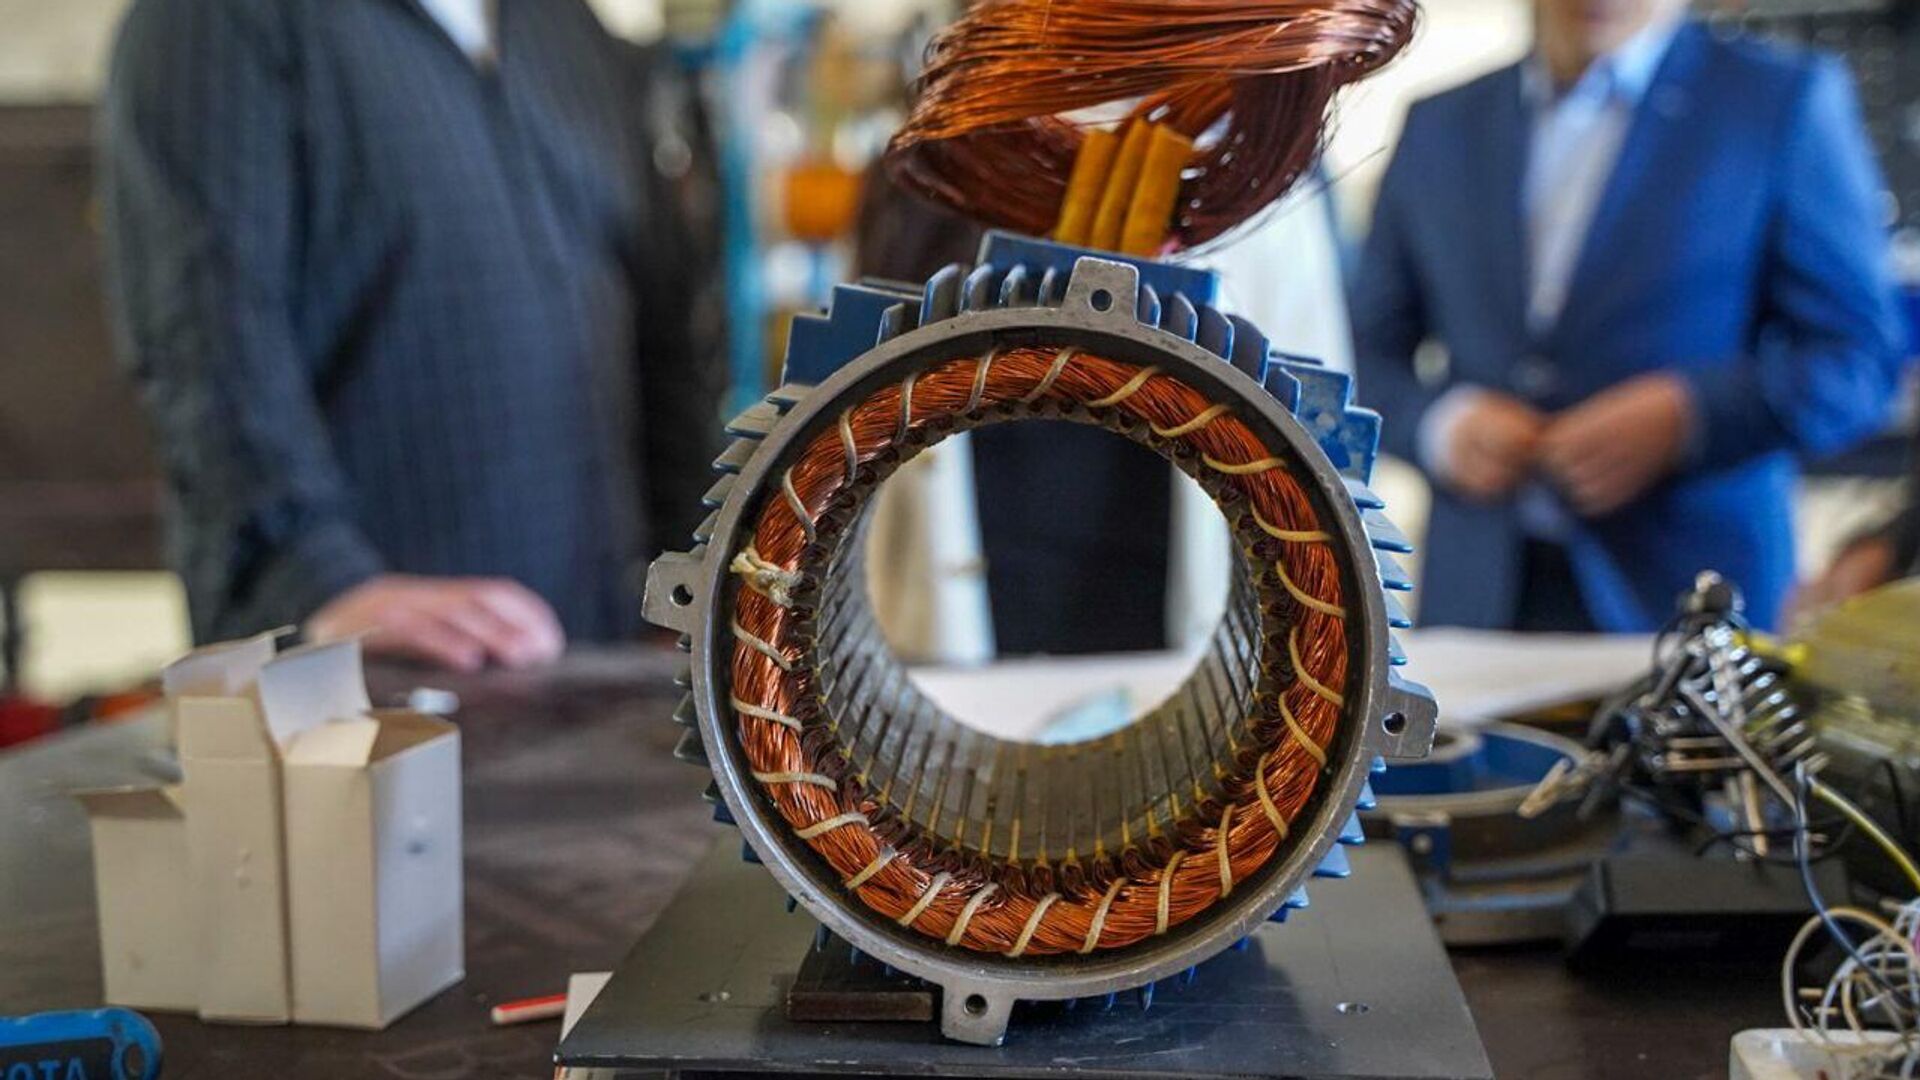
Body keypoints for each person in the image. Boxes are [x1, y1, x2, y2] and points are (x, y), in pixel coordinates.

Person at [100, 0, 723, 670]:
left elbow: (663, 338)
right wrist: (325, 584)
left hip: (601, 667)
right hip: (368, 685)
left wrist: (696, 579)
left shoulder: (563, 27)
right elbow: (203, 347)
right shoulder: (218, 21)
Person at [1351, 0, 1908, 632]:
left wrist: (1688, 416)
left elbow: (1860, 360)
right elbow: (1360, 346)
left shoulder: (1782, 103)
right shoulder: (1440, 123)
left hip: (1690, 603)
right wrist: (1439, 426)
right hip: (1478, 600)